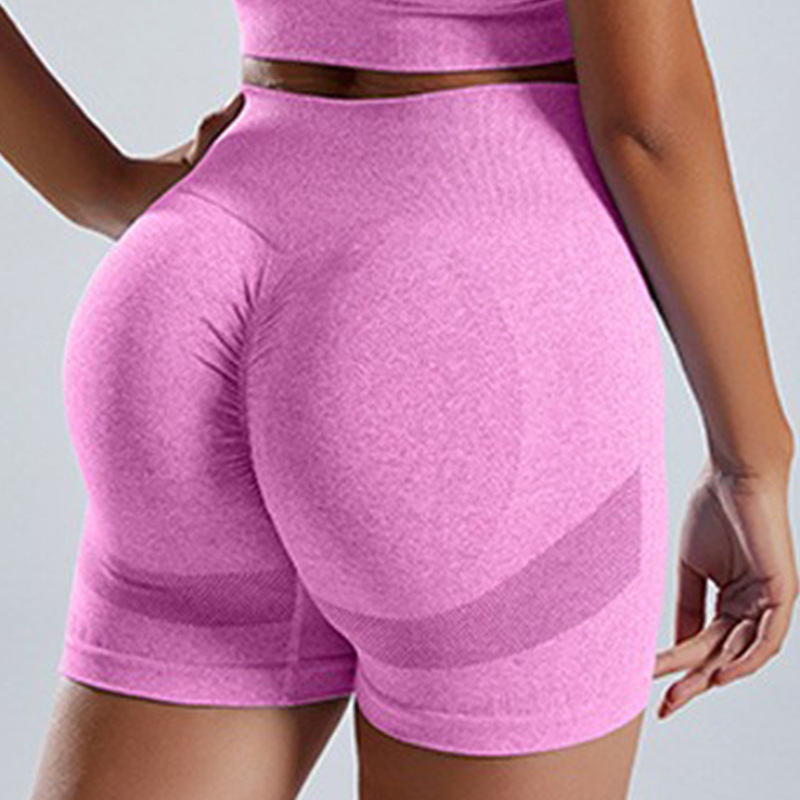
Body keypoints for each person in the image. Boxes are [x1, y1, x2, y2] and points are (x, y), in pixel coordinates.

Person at [2, 1, 796, 798]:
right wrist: (751, 460)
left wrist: (99, 185)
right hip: (475, 305)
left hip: (197, 270)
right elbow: (650, 124)